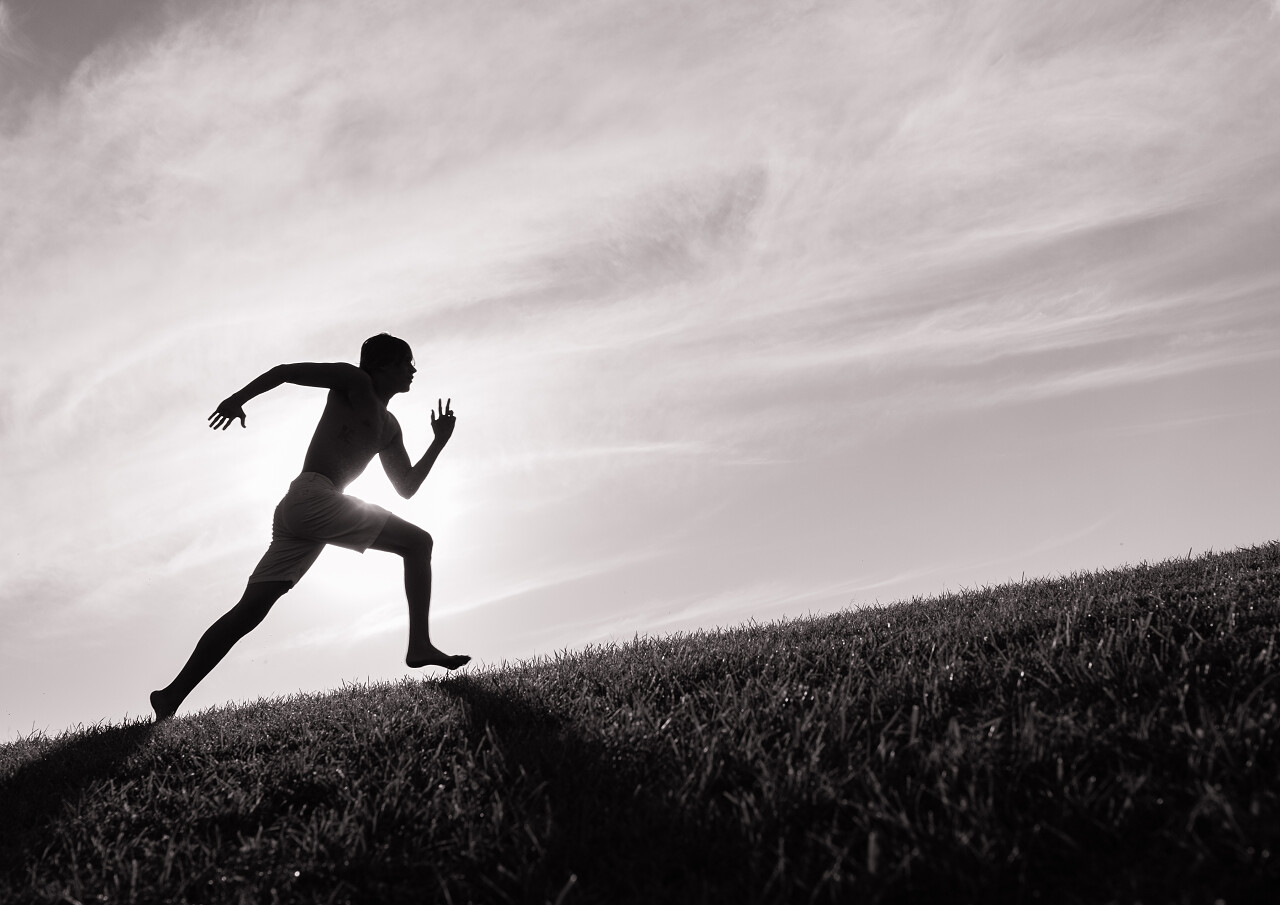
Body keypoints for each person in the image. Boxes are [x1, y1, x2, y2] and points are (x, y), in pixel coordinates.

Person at [150, 333, 469, 721]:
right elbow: (286, 372)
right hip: (313, 496)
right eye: (407, 362)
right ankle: (419, 645)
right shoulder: (354, 381)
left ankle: (170, 696)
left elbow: (406, 488)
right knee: (419, 543)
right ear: (382, 366)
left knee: (249, 611)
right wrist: (237, 399)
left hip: (304, 510)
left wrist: (438, 442)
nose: (414, 370)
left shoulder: (390, 427)